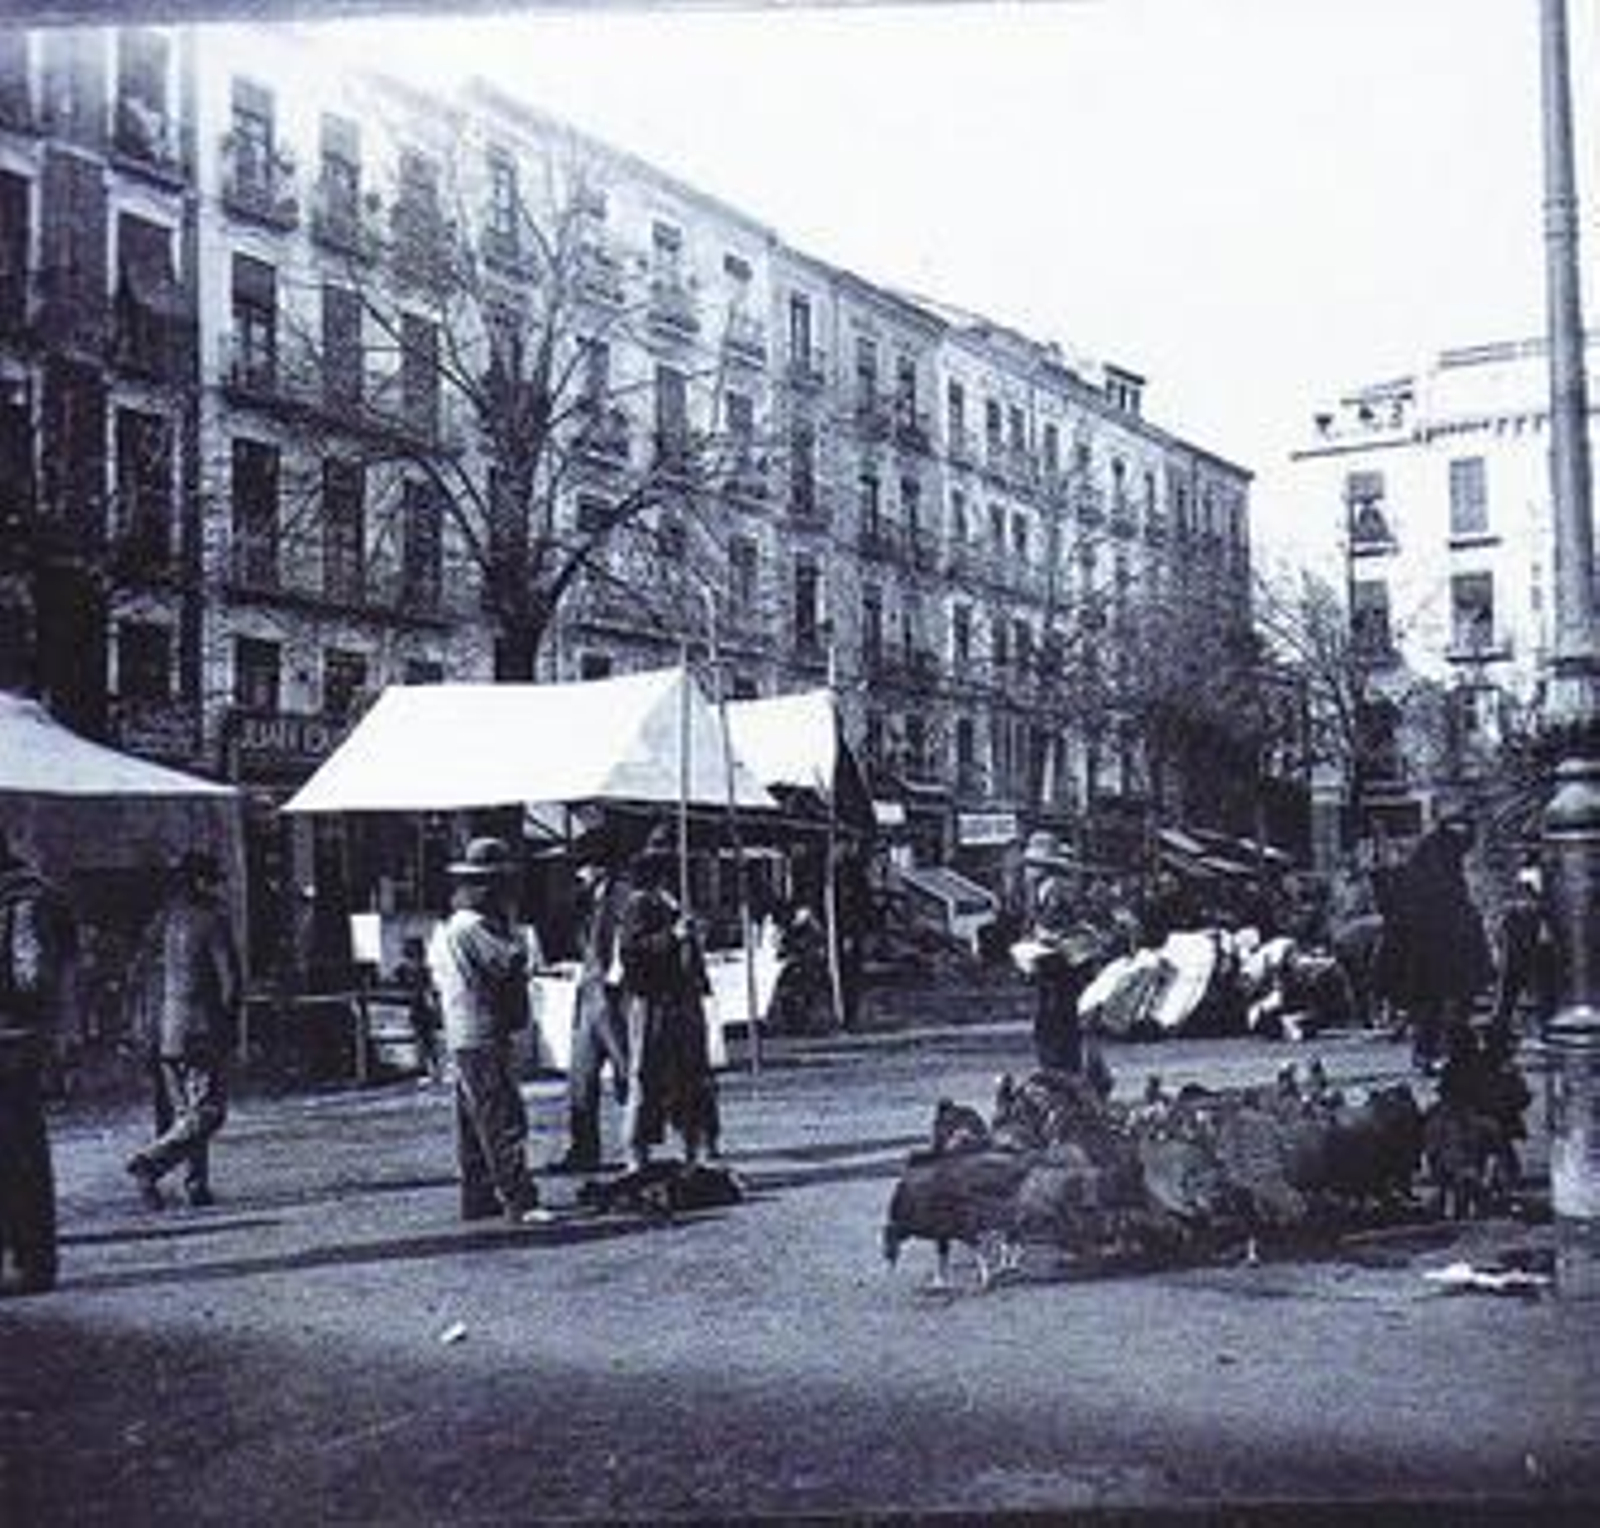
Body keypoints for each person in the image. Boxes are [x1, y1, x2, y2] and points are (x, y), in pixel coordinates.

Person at [427, 836, 546, 1225]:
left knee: (472, 1119)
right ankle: (519, 1197)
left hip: (462, 1031)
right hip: (483, 1030)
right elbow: (510, 963)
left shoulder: (450, 927)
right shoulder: (476, 927)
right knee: (500, 1117)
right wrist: (515, 934)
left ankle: (477, 1195)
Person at [125, 851, 242, 1210]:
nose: (217, 889)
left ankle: (196, 1185)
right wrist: (231, 1027)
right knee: (208, 1113)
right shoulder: (212, 921)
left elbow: (137, 976)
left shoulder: (162, 921)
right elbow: (231, 981)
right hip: (201, 1031)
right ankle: (149, 1163)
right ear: (200, 882)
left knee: (184, 1114)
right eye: (212, 881)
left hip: (166, 1030)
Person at [616, 822, 719, 1173]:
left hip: (683, 997)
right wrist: (671, 937)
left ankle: (696, 1143)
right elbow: (631, 951)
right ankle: (637, 1150)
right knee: (646, 1074)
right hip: (652, 998)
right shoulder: (640, 904)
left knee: (693, 1073)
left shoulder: (680, 902)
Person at [0, 832, 76, 1295]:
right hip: (15, 1038)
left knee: (20, 1155)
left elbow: (33, 976)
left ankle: (32, 1262)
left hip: (12, 1043)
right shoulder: (29, 896)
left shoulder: (23, 901)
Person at [1388, 814, 1494, 1074]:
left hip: (1431, 944)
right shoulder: (1442, 856)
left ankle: (1432, 1051)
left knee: (1435, 1002)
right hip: (1439, 944)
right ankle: (1438, 1051)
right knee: (1441, 1001)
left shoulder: (1432, 855)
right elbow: (1449, 898)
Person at [552, 844, 631, 1174]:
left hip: (612, 994)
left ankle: (636, 1148)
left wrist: (616, 980)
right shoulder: (587, 901)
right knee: (581, 1076)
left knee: (627, 1072)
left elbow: (624, 943)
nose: (579, 873)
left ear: (601, 867)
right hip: (589, 991)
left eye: (584, 866)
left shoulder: (622, 895)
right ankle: (583, 1148)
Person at [1019, 831, 1110, 1075]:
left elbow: (1066, 926)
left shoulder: (1057, 889)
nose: (1027, 871)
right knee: (1051, 1019)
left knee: (1058, 1018)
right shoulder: (1042, 890)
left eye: (1032, 865)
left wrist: (1045, 937)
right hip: (1054, 962)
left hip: (1065, 962)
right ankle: (1057, 1069)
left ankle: (1062, 1071)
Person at [1491, 859, 1557, 1040]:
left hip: (1524, 954)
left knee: (1510, 995)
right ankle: (1501, 1030)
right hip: (1521, 954)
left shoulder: (1518, 911)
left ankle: (1502, 1030)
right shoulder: (1517, 912)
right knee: (1511, 994)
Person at [395, 935, 444, 1086]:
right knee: (424, 1041)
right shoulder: (405, 971)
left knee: (427, 1040)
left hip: (422, 1009)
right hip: (417, 1008)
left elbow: (429, 990)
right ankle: (430, 1070)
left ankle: (432, 1070)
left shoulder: (423, 971)